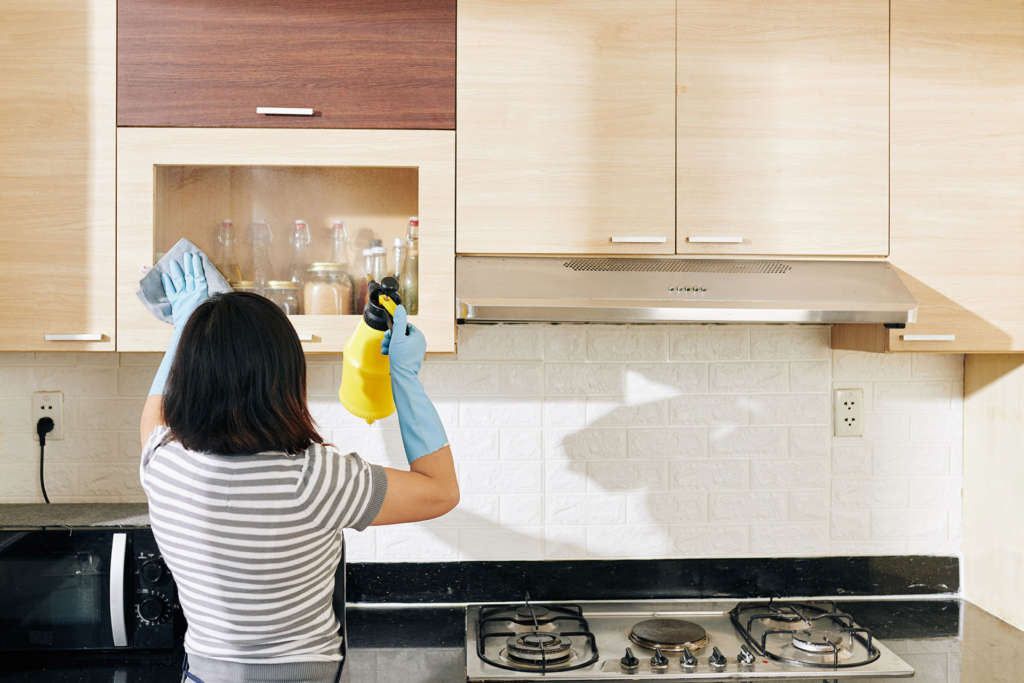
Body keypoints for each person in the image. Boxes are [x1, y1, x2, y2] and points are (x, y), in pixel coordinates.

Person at [138, 253, 458, 683]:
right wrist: (404, 376)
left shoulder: (164, 465)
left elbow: (154, 414)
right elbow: (440, 491)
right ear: (288, 378)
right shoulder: (315, 478)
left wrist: (187, 327)